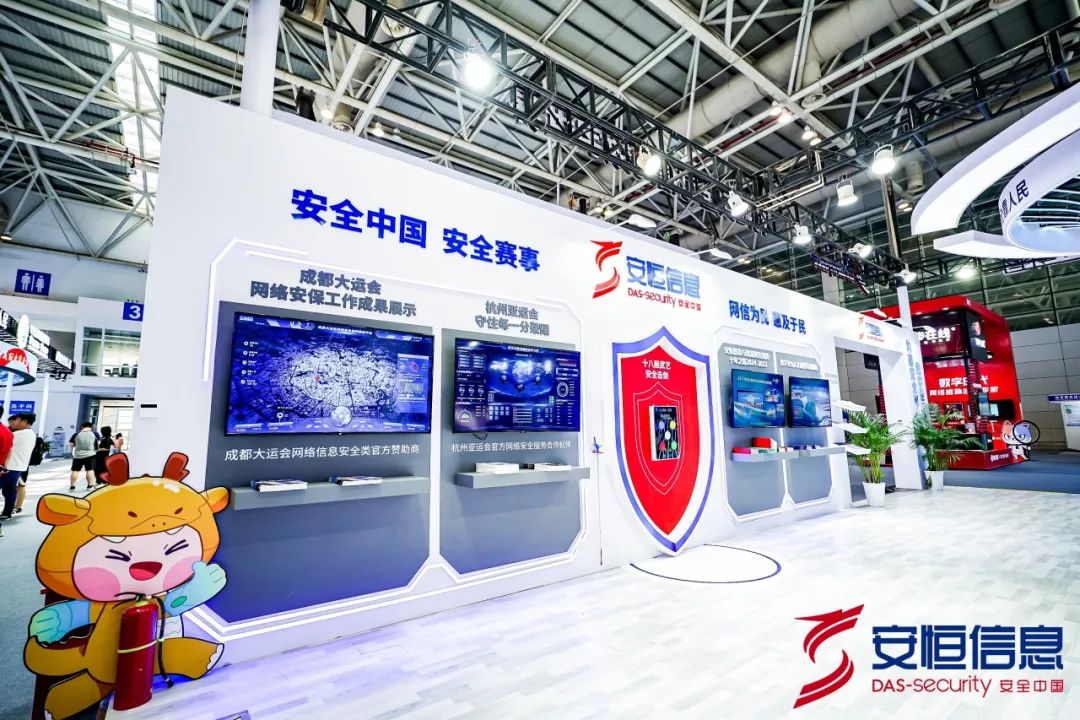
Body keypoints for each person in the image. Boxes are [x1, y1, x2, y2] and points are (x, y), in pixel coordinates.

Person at [1, 413, 37, 520]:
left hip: (9, 467)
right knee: (10, 490)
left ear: (24, 421)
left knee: (9, 490)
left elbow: (6, 440)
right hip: (19, 467)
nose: (14, 423)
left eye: (16, 420)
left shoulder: (19, 434)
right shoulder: (31, 434)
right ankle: (7, 512)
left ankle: (7, 512)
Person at [69, 422, 98, 492]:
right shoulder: (94, 434)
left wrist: (71, 452)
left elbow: (71, 444)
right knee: (90, 470)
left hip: (78, 455)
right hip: (90, 455)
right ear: (91, 427)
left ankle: (72, 487)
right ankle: (89, 486)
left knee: (75, 470)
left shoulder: (76, 434)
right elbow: (97, 445)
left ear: (82, 427)